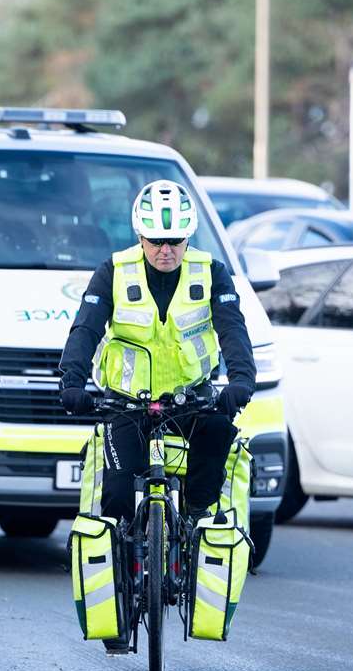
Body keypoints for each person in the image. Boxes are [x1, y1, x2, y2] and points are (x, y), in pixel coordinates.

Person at [58, 179, 256, 530]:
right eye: (156, 240)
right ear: (140, 235)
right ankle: (126, 562)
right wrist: (72, 382)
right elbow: (86, 330)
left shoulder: (212, 272)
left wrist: (241, 381)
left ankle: (194, 517)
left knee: (219, 434)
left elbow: (232, 329)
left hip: (192, 400)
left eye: (176, 240)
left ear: (188, 236)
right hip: (127, 403)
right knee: (117, 497)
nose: (166, 249)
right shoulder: (114, 271)